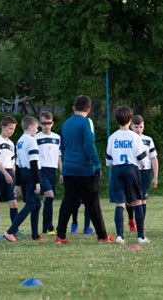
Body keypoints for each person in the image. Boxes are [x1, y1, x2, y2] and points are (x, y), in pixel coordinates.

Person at [55, 95, 113, 244]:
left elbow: (63, 147)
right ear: (89, 108)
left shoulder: (66, 124)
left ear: (74, 107)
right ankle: (102, 236)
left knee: (68, 201)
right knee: (93, 202)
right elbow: (89, 144)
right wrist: (97, 164)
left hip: (69, 168)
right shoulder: (86, 122)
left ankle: (60, 235)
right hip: (85, 169)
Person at [106, 106, 149, 244]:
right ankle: (141, 237)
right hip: (132, 169)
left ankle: (120, 236)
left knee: (120, 203)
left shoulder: (112, 137)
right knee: (137, 201)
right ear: (130, 120)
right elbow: (143, 158)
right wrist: (141, 166)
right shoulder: (135, 136)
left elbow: (109, 160)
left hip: (117, 170)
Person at [4, 116, 44, 242]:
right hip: (32, 174)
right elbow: (33, 163)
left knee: (37, 204)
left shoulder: (20, 141)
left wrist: (18, 183)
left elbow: (18, 164)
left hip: (24, 174)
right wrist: (37, 182)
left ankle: (35, 235)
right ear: (31, 127)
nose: (37, 131)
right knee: (31, 204)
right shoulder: (31, 141)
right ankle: (10, 231)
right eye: (37, 128)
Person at [129, 115, 158, 230]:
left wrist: (155, 176)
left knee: (142, 197)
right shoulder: (128, 138)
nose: (139, 129)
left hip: (145, 171)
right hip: (131, 170)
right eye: (136, 127)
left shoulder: (148, 140)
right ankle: (131, 218)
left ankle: (141, 223)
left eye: (141, 127)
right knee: (130, 199)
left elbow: (154, 158)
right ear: (131, 126)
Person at [36, 111, 63, 235]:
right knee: (49, 195)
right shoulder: (36, 137)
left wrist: (61, 172)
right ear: (40, 124)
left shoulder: (57, 137)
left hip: (52, 170)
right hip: (41, 170)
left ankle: (45, 227)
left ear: (52, 123)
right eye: (43, 123)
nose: (46, 125)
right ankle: (50, 226)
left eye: (49, 123)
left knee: (49, 199)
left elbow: (58, 156)